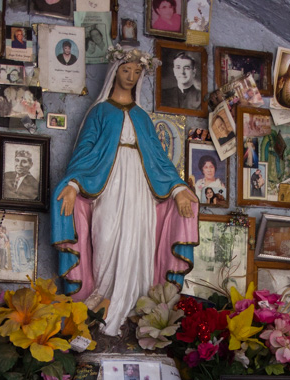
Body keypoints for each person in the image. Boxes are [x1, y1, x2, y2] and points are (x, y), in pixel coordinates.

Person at [52, 48, 199, 336]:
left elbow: (159, 159)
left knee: (138, 247)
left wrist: (179, 188)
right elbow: (83, 154)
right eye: (125, 70)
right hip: (107, 188)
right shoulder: (99, 112)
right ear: (114, 72)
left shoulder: (143, 118)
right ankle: (103, 310)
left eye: (136, 72)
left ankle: (135, 318)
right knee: (105, 242)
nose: (131, 77)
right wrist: (71, 185)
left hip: (141, 193)